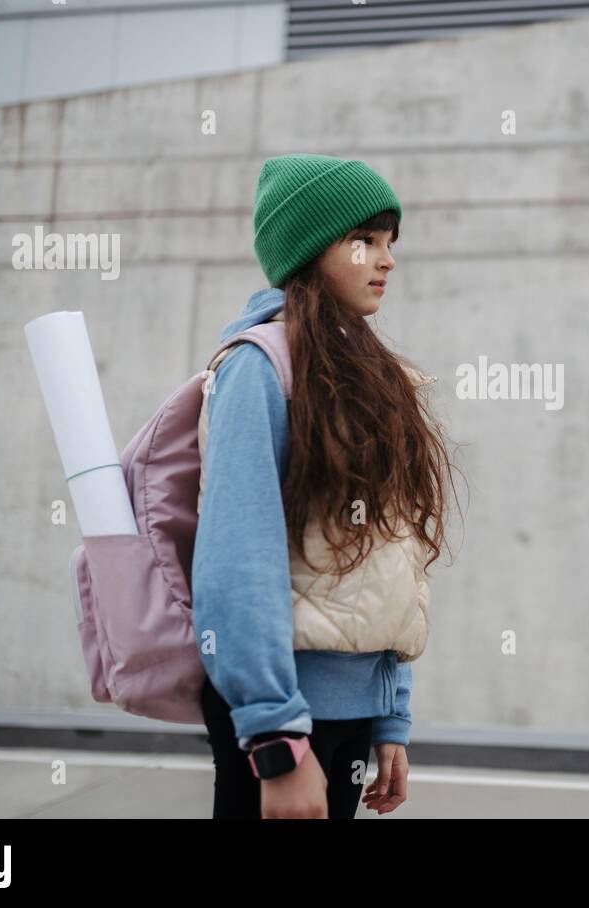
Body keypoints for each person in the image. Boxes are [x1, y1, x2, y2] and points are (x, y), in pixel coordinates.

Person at [192, 153, 459, 819]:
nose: (386, 259)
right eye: (363, 240)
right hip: (281, 713)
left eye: (390, 242)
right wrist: (276, 739)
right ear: (308, 251)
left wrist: (391, 714)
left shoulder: (375, 376)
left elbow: (393, 559)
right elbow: (237, 559)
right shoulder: (258, 369)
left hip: (354, 712)